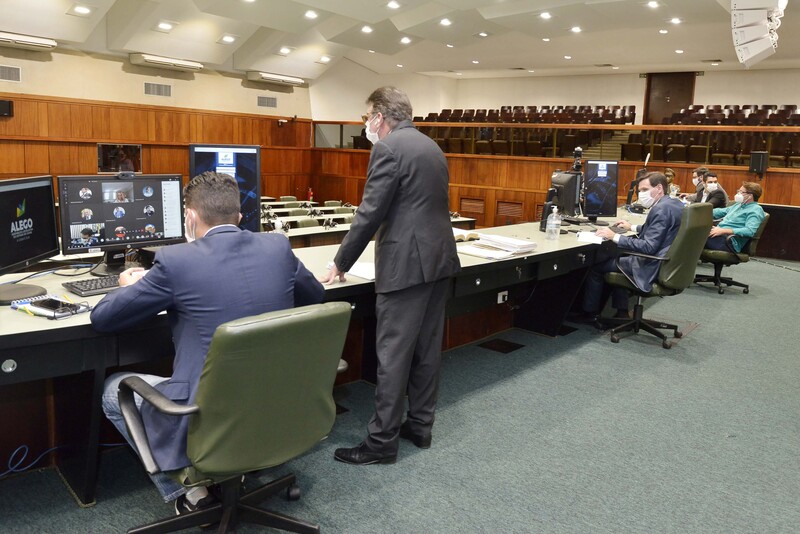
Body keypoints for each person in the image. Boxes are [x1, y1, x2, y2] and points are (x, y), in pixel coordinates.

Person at [92, 172, 324, 514]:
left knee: (114, 388)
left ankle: (192, 493)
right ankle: (231, 469)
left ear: (190, 216)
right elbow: (315, 296)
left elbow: (103, 318)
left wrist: (129, 286)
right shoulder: (278, 248)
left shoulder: (176, 261)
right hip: (275, 403)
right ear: (239, 216)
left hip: (206, 415)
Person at [319, 87, 460, 465]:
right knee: (427, 351)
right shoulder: (432, 147)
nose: (366, 123)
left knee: (393, 355)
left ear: (380, 116)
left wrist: (340, 263)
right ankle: (421, 426)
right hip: (439, 261)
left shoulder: (388, 149)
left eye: (367, 116)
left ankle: (381, 442)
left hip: (406, 266)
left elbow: (370, 213)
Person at [580, 172, 684, 320]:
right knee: (619, 258)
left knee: (597, 267)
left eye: (645, 190)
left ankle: (590, 315)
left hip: (652, 264)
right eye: (639, 191)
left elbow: (648, 247)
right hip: (668, 262)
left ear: (659, 188)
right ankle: (622, 312)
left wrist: (614, 236)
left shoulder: (660, 209)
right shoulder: (674, 204)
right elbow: (659, 229)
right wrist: (632, 227)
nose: (641, 194)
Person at [705, 181, 765, 253]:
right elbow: (720, 211)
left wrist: (722, 231)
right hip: (719, 235)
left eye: (741, 192)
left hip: (729, 242)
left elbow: (750, 231)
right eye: (738, 191)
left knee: (697, 237)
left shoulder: (756, 210)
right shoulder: (738, 205)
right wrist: (702, 210)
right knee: (696, 233)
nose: (738, 194)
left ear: (750, 196)